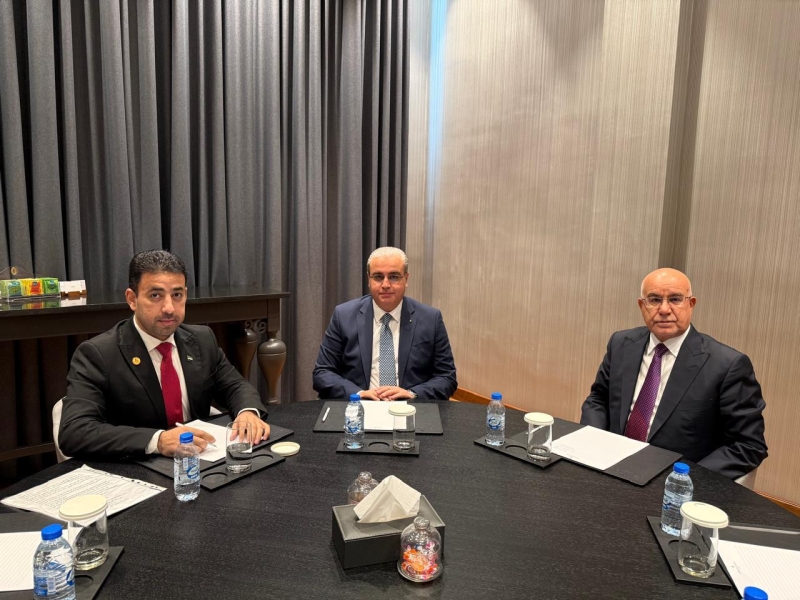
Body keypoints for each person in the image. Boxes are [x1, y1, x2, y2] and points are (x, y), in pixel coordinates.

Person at [59, 250, 270, 459]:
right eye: (155, 295)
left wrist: (247, 412)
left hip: (200, 462)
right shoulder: (98, 354)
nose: (169, 308)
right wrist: (158, 441)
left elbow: (235, 386)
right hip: (137, 465)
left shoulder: (201, 339)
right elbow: (75, 431)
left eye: (177, 295)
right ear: (132, 299)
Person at [580, 268, 767, 480]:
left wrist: (684, 480)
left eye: (675, 299)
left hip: (671, 483)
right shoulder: (621, 344)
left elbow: (749, 445)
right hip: (609, 469)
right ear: (642, 305)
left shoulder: (727, 365)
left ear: (691, 304)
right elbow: (598, 399)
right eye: (654, 300)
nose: (664, 309)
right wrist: (594, 443)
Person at [313, 247, 457, 401]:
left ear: (406, 279)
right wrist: (359, 394)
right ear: (369, 279)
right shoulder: (343, 316)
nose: (386, 284)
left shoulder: (430, 319)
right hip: (359, 406)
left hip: (410, 408)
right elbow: (322, 373)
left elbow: (447, 377)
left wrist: (412, 394)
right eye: (378, 277)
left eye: (394, 277)